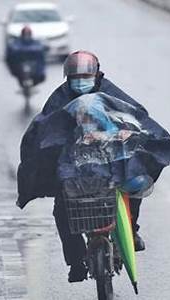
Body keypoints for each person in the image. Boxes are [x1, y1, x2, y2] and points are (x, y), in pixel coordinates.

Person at [42, 50, 147, 282]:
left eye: (85, 77)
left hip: (109, 159)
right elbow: (44, 127)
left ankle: (132, 229)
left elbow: (133, 113)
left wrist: (129, 131)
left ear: (97, 75)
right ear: (67, 79)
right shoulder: (60, 98)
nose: (80, 83)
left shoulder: (109, 92)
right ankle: (76, 261)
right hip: (76, 164)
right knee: (61, 207)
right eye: (75, 78)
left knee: (135, 181)